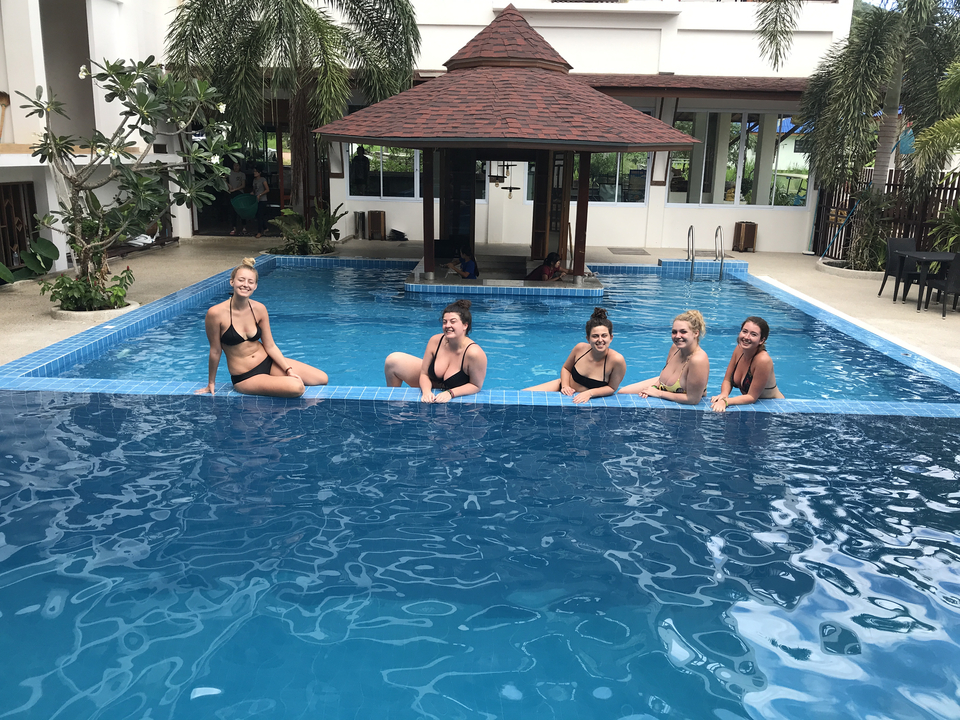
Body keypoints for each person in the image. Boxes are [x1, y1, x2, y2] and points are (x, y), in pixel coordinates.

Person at [198, 258, 328, 398]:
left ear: (255, 286)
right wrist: (211, 382)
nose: (245, 285)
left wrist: (287, 369)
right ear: (232, 282)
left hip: (268, 362)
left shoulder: (259, 309)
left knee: (321, 378)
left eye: (250, 282)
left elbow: (270, 345)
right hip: (245, 376)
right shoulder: (216, 313)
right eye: (241, 280)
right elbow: (215, 351)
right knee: (297, 387)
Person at [383, 299, 488, 403]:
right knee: (393, 361)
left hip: (453, 390)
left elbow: (476, 385)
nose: (447, 326)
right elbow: (424, 374)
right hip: (432, 385)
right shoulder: (435, 341)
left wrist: (450, 393)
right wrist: (426, 392)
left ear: (465, 325)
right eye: (444, 322)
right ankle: (392, 405)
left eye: (453, 322)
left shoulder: (474, 353)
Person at [523, 307, 626, 403]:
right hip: (562, 388)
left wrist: (589, 393)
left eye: (604, 336)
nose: (600, 340)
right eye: (595, 336)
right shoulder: (580, 348)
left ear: (611, 338)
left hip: (586, 399)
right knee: (523, 395)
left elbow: (612, 388)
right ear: (588, 339)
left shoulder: (616, 360)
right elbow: (566, 368)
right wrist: (565, 386)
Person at [619, 309, 709, 405]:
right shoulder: (676, 348)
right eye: (674, 332)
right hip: (662, 386)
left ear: (696, 333)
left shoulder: (698, 360)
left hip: (675, 395)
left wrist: (658, 393)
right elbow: (664, 376)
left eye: (683, 332)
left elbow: (693, 400)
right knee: (622, 393)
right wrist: (653, 387)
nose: (677, 336)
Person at [710, 316, 784, 412]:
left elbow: (752, 397)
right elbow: (727, 380)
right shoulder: (739, 350)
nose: (746, 337)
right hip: (756, 407)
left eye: (753, 334)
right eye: (744, 331)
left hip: (775, 408)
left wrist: (726, 401)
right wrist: (724, 394)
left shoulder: (763, 360)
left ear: (762, 340)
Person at [227, 162, 247, 236]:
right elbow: (222, 178)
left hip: (239, 193)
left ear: (240, 166)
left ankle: (244, 227)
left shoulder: (242, 174)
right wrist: (228, 185)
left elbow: (243, 185)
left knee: (241, 210)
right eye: (234, 165)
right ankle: (234, 228)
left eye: (237, 165)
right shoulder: (229, 173)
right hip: (231, 193)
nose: (236, 167)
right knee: (232, 211)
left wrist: (235, 189)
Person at [252, 167, 269, 238]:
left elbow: (267, 189)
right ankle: (265, 228)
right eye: (254, 172)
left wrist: (260, 195)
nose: (254, 173)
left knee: (260, 216)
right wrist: (253, 193)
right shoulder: (254, 180)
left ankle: (259, 232)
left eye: (256, 172)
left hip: (263, 200)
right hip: (257, 200)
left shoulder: (263, 180)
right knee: (258, 215)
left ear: (259, 173)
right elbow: (254, 190)